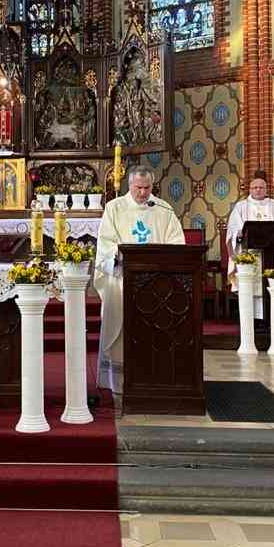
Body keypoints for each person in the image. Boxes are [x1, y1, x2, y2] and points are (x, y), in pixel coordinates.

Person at [93, 165, 185, 394]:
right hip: (122, 280)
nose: (143, 193)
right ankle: (119, 383)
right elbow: (105, 244)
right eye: (138, 188)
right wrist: (119, 255)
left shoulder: (164, 209)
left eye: (147, 188)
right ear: (130, 185)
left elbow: (177, 243)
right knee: (120, 328)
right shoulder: (115, 208)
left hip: (156, 284)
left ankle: (153, 377)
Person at [226, 172, 274, 318]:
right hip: (249, 255)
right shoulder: (241, 206)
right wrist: (238, 234)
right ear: (250, 189)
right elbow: (233, 230)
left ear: (266, 189)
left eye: (261, 187)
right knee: (251, 285)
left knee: (273, 283)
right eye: (255, 187)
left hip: (273, 255)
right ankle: (252, 319)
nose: (258, 190)